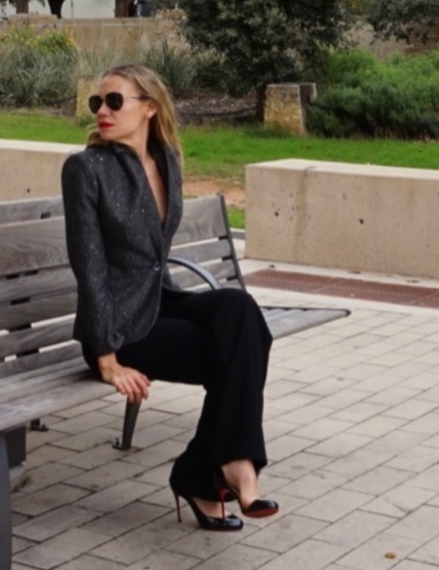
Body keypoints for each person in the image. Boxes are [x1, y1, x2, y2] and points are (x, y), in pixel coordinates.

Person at [61, 64, 277, 531]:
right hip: (118, 326)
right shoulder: (86, 169)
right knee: (239, 351)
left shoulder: (166, 160)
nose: (102, 111)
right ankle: (217, 470)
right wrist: (107, 358)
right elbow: (89, 266)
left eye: (115, 101)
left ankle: (212, 468)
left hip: (160, 299)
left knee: (240, 312)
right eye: (97, 102)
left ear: (149, 109)